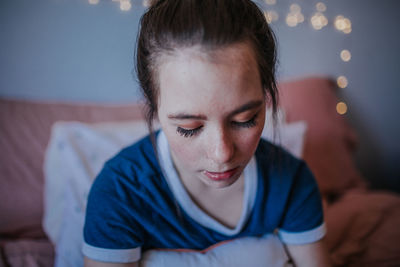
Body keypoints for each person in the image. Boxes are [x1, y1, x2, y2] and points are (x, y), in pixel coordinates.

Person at [83, 0, 331, 266]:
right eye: (189, 128)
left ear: (265, 94)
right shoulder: (120, 193)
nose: (222, 153)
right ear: (154, 107)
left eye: (245, 120)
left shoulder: (291, 182)